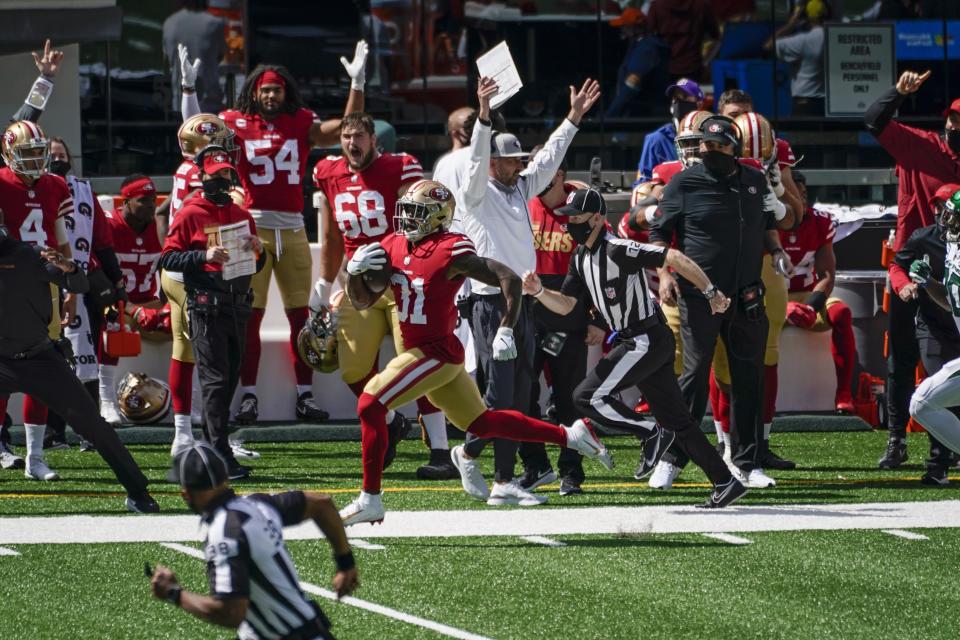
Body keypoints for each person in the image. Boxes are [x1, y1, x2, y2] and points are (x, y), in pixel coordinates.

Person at [337, 180, 613, 524]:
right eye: (405, 210)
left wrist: (507, 327)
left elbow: (508, 278)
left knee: (370, 403)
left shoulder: (450, 248)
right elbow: (363, 300)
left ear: (437, 217)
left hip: (434, 352)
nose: (406, 218)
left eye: (416, 212)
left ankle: (370, 499)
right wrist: (354, 273)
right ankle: (571, 435)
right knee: (483, 421)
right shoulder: (393, 244)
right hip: (425, 354)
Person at [521, 188, 747, 509]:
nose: (570, 224)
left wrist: (711, 292)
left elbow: (673, 257)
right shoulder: (581, 257)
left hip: (645, 337)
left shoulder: (616, 248)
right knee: (679, 422)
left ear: (598, 218)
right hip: (640, 339)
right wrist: (540, 291)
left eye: (577, 218)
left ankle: (650, 433)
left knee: (586, 396)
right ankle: (725, 482)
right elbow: (568, 305)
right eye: (567, 218)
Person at [181, 42, 369, 425]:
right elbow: (195, 134)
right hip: (251, 229)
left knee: (302, 318)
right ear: (254, 91)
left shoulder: (300, 120)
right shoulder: (234, 120)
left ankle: (305, 395)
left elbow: (347, 130)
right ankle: (249, 396)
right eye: (265, 89)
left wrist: (358, 84)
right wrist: (188, 91)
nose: (270, 95)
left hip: (293, 228)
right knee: (249, 316)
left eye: (277, 89)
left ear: (287, 92)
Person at [454, 76, 600, 504]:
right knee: (500, 394)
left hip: (522, 303)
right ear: (493, 164)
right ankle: (480, 462)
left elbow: (550, 156)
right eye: (512, 160)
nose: (520, 165)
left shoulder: (518, 186)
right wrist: (483, 115)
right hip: (490, 304)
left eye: (519, 160)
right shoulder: (476, 193)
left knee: (520, 393)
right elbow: (478, 158)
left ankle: (491, 470)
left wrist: (573, 118)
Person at [648, 115, 794, 490]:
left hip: (746, 293)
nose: (711, 151)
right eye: (706, 145)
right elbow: (658, 235)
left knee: (749, 379)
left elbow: (767, 222)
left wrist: (776, 251)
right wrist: (665, 273)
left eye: (718, 145)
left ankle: (748, 462)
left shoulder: (753, 180)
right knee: (694, 378)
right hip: (700, 296)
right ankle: (673, 457)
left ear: (734, 147)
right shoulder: (682, 183)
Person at [312, 112, 445, 471]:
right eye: (345, 137)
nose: (352, 143)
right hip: (358, 284)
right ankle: (391, 422)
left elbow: (417, 226)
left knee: (417, 363)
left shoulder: (400, 168)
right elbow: (332, 236)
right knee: (352, 367)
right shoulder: (328, 172)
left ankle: (441, 451)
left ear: (374, 139)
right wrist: (324, 283)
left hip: (400, 278)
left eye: (358, 136)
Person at [0, 212, 158, 511]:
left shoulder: (28, 254)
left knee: (93, 425)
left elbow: (81, 283)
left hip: (39, 358)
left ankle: (138, 491)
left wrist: (68, 266)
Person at [150, 441, 356, 638]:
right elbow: (322, 503)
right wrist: (345, 563)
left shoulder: (224, 533)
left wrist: (174, 593)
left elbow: (231, 613)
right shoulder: (257, 504)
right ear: (226, 479)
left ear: (185, 493)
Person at [864, 69, 960, 468]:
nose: (955, 125)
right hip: (911, 260)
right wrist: (897, 93)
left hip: (952, 268)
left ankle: (942, 450)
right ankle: (896, 438)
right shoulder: (921, 146)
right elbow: (875, 120)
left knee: (944, 357)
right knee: (902, 356)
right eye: (953, 118)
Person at [160, 147, 265, 479]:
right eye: (214, 174)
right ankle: (217, 454)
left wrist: (259, 252)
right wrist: (204, 254)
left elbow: (256, 264)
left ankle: (212, 448)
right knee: (216, 381)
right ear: (201, 177)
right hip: (206, 305)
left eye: (225, 174)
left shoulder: (242, 215)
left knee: (229, 378)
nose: (220, 180)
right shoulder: (190, 212)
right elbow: (168, 259)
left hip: (237, 304)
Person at [521, 156, 605, 496]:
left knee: (570, 400)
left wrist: (598, 318)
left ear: (559, 172)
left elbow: (604, 264)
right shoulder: (520, 205)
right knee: (523, 396)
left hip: (569, 318)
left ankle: (572, 472)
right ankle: (535, 466)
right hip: (527, 315)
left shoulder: (582, 204)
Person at [157, 111, 239, 457]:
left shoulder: (183, 169)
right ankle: (214, 435)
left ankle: (182, 433)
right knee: (212, 357)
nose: (226, 149)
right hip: (194, 270)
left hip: (177, 270)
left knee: (183, 348)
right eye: (219, 142)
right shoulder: (203, 176)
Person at [0, 120, 75, 472]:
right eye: (26, 153)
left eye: (37, 153)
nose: (34, 160)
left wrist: (67, 285)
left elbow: (61, 241)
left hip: (44, 284)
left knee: (43, 371)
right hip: (6, 283)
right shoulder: (1, 182)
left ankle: (36, 456)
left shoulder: (55, 185)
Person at [43, 138, 125, 451]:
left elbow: (101, 240)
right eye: (52, 156)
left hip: (85, 282)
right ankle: (53, 431)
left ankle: (89, 431)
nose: (57, 160)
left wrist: (117, 280)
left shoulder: (82, 190)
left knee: (85, 358)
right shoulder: (39, 191)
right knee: (53, 360)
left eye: (62, 155)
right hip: (47, 283)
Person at [894, 186, 960, 485]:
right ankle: (940, 464)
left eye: (952, 216)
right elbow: (950, 301)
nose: (945, 221)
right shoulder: (940, 245)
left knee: (924, 401)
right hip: (938, 328)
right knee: (923, 401)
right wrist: (926, 282)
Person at [779, 171, 857, 412]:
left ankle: (844, 392)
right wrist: (782, 309)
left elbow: (827, 275)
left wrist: (811, 305)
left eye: (803, 195)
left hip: (806, 294)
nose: (800, 201)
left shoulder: (820, 222)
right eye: (793, 194)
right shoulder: (763, 224)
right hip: (769, 297)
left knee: (841, 313)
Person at [97, 175, 165, 424]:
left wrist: (164, 305)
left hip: (149, 303)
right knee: (113, 323)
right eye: (142, 200)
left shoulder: (159, 226)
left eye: (153, 200)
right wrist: (131, 308)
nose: (150, 205)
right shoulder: (109, 226)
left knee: (186, 323)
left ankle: (192, 403)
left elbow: (168, 270)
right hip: (117, 304)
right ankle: (106, 400)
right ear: (125, 202)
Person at [763, 0, 828, 116]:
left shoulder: (804, 40)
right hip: (829, 104)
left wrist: (791, 24)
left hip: (806, 104)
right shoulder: (836, 38)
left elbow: (768, 46)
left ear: (806, 17)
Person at [604, 7, 671, 118]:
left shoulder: (646, 51)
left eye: (624, 26)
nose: (622, 29)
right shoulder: (639, 46)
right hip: (636, 112)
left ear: (634, 28)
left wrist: (611, 114)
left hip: (639, 115)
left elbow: (632, 84)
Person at [635, 79, 704, 184]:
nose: (678, 103)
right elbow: (643, 182)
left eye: (684, 97)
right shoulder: (656, 139)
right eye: (675, 98)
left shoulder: (710, 136)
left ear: (699, 104)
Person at [162, 0, 226, 113]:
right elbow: (220, 55)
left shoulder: (169, 23)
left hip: (179, 102)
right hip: (209, 103)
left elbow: (166, 58)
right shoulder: (215, 23)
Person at [646, 0, 719, 80]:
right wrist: (706, 61)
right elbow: (716, 37)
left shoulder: (657, 5)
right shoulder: (701, 5)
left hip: (664, 67)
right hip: (692, 66)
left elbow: (647, 36)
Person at [433, 106, 475, 174]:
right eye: (469, 127)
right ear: (454, 132)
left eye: (476, 126)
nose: (475, 131)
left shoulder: (485, 158)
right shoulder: (444, 163)